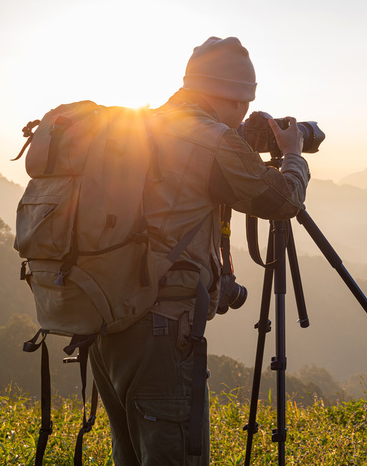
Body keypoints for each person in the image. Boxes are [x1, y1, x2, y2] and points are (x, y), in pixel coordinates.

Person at [89, 36, 311, 465]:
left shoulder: (149, 123)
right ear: (227, 96)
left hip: (108, 322)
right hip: (161, 330)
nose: (245, 114)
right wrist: (293, 154)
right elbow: (283, 201)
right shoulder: (213, 140)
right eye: (244, 103)